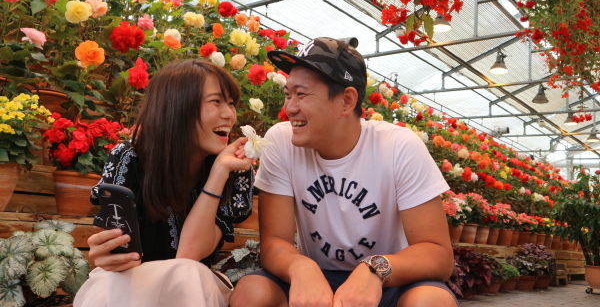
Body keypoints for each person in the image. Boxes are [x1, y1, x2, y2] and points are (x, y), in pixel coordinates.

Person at [231, 38, 458, 307]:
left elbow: (438, 255)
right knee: (252, 291)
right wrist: (300, 267)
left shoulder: (398, 146)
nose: (289, 108)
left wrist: (375, 268)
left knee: (432, 300)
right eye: (288, 94)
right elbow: (274, 241)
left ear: (347, 101)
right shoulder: (281, 141)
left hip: (388, 280)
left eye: (302, 94)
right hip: (315, 278)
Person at [74, 59, 254, 307]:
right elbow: (121, 254)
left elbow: (189, 255)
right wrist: (107, 253)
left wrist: (219, 173)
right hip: (129, 284)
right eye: (216, 101)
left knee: (188, 272)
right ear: (177, 106)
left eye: (231, 103)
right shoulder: (130, 158)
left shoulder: (233, 170)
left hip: (194, 288)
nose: (229, 114)